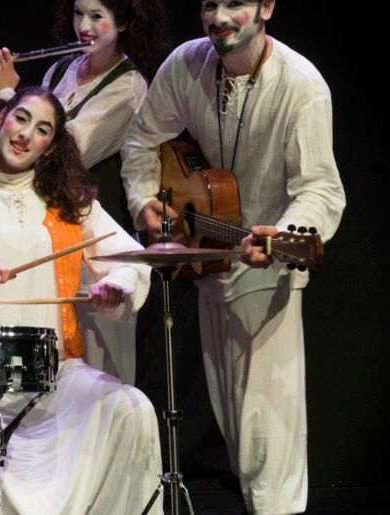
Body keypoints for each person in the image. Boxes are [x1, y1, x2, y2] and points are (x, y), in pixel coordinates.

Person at [120, 1, 346, 513]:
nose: (219, 16)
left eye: (235, 3)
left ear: (266, 7)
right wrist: (144, 200)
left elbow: (320, 188)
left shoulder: (301, 85)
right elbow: (140, 141)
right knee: (234, 424)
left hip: (267, 268)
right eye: (210, 5)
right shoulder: (187, 63)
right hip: (211, 261)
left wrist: (285, 233)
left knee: (267, 428)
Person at [0, 87, 163, 514]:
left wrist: (117, 286)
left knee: (130, 409)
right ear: (1, 118)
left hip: (55, 375)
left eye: (42, 129)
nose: (26, 134)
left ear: (51, 146)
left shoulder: (71, 206)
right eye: (21, 118)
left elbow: (130, 259)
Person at [0, 0, 169, 385]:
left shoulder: (128, 87)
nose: (83, 25)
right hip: (52, 229)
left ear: (124, 23)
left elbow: (59, 150)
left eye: (96, 16)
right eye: (78, 13)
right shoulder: (63, 68)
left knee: (101, 364)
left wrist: (5, 93)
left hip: (93, 231)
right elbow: (14, 144)